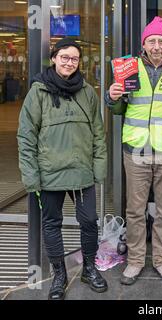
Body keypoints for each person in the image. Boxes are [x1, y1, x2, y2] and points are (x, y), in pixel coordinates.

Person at [106, 16, 162, 285]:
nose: (156, 46)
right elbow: (120, 107)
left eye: (161, 41)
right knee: (135, 210)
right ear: (143, 44)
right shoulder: (129, 67)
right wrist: (112, 98)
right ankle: (135, 261)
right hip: (135, 149)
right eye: (151, 41)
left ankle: (161, 260)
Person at [17, 38, 108, 299]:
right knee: (52, 224)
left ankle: (90, 268)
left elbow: (98, 134)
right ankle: (59, 274)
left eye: (75, 59)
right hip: (49, 174)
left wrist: (98, 169)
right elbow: (26, 137)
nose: (70, 62)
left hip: (82, 173)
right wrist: (31, 176)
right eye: (65, 57)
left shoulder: (87, 92)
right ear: (54, 58)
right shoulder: (38, 92)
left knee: (89, 221)